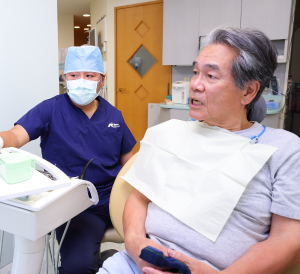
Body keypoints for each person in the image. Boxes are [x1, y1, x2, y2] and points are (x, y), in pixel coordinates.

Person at [96, 27, 300, 274]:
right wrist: (135, 244)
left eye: (211, 76)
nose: (195, 85)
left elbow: (288, 237)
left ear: (248, 91)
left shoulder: (284, 149)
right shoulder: (170, 133)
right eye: (195, 73)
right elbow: (138, 198)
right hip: (136, 263)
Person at [0, 46, 136, 274]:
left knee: (162, 241)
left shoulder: (115, 116)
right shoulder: (49, 109)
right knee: (78, 267)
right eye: (74, 75)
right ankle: (99, 261)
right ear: (64, 79)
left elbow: (129, 163)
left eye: (90, 75)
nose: (81, 81)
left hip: (115, 198)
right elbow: (15, 135)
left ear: (102, 80)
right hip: (77, 205)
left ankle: (109, 262)